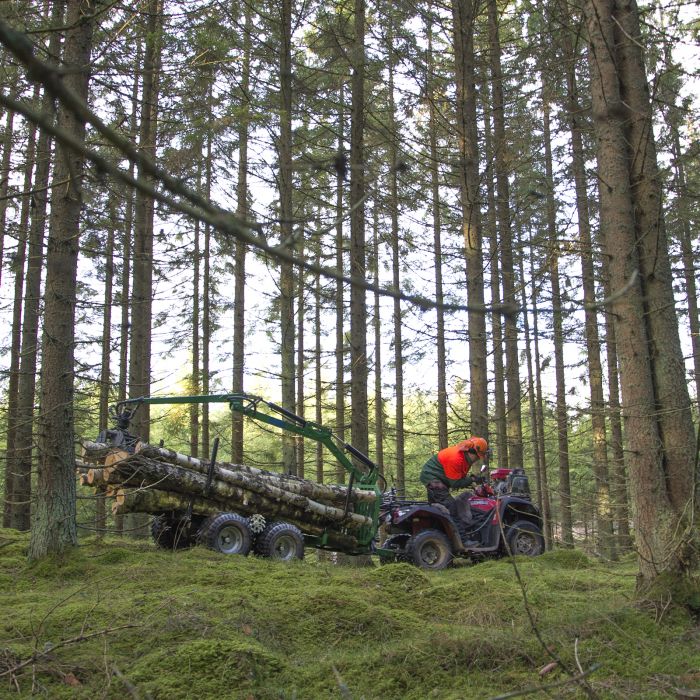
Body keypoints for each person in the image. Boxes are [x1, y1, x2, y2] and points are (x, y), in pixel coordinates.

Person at [419, 437, 489, 546]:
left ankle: (442, 541)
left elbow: (460, 477)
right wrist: (473, 479)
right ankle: (464, 542)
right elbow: (455, 483)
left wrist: (472, 480)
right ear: (471, 452)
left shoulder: (465, 457)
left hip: (438, 478)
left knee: (438, 512)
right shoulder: (456, 458)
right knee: (451, 508)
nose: (477, 459)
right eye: (477, 456)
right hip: (433, 478)